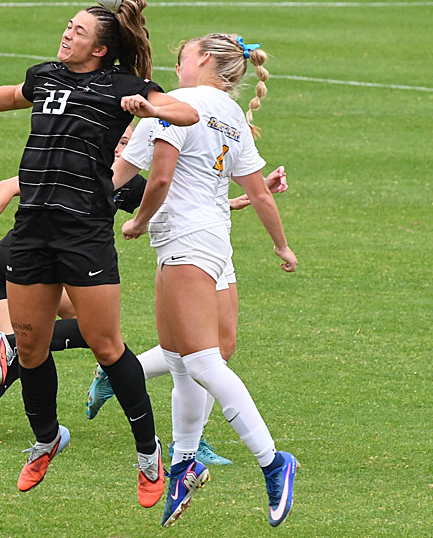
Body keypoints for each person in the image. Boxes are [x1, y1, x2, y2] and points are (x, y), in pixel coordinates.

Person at [0, 0, 198, 507]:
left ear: (99, 48)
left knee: (107, 346)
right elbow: (14, 95)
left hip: (84, 232)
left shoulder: (122, 85)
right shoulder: (46, 75)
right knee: (29, 349)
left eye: (78, 31)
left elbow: (185, 111)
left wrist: (150, 109)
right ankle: (46, 439)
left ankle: (149, 455)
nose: (67, 34)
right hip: (31, 229)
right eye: (68, 27)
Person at [113, 33, 299, 527]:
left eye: (182, 58)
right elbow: (259, 193)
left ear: (204, 60)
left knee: (200, 361)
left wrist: (135, 221)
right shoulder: (232, 114)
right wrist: (281, 246)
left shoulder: (172, 105)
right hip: (216, 246)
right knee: (179, 358)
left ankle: (273, 461)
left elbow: (147, 177)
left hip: (184, 243)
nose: (177, 67)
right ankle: (184, 465)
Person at [0, 129, 145, 445]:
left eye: (128, 143)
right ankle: (95, 370)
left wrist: (217, 205)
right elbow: (7, 187)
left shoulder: (128, 181)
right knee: (92, 332)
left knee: (22, 355)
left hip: (6, 258)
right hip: (30, 262)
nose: (122, 149)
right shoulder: (74, 165)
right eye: (118, 141)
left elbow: (169, 199)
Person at [85, 166, 288, 469]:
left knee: (221, 347)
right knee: (203, 354)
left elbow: (209, 176)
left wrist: (252, 189)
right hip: (192, 244)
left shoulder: (229, 134)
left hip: (216, 237)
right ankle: (195, 447)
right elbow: (168, 187)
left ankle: (124, 375)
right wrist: (138, 222)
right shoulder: (167, 137)